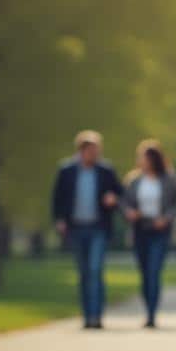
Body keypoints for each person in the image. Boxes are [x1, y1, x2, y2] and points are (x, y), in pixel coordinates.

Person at [52, 130, 124, 329]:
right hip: (76, 227)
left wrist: (113, 199)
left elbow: (120, 195)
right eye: (92, 150)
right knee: (84, 272)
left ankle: (96, 316)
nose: (96, 154)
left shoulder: (106, 171)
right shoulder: (66, 171)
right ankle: (87, 315)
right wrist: (59, 219)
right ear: (82, 151)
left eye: (97, 150)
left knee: (95, 269)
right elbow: (57, 198)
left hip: (98, 228)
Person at [121, 139, 176, 328]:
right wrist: (129, 212)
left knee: (154, 271)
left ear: (153, 159)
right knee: (144, 272)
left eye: (144, 158)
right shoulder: (133, 180)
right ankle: (148, 306)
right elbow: (123, 202)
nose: (141, 161)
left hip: (160, 231)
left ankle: (151, 314)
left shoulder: (169, 179)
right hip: (140, 229)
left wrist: (166, 218)